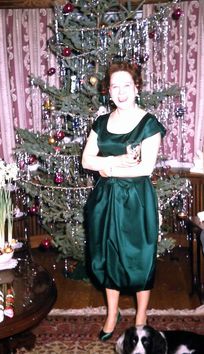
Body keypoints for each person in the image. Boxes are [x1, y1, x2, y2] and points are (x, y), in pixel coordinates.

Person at [82, 61, 166, 341]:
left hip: (136, 201)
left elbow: (145, 168)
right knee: (108, 257)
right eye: (115, 86)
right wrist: (113, 161)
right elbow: (86, 160)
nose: (120, 92)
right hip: (105, 200)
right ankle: (112, 313)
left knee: (140, 257)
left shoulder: (149, 123)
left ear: (136, 88)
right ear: (108, 90)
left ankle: (141, 315)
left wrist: (107, 168)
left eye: (126, 85)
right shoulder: (101, 123)